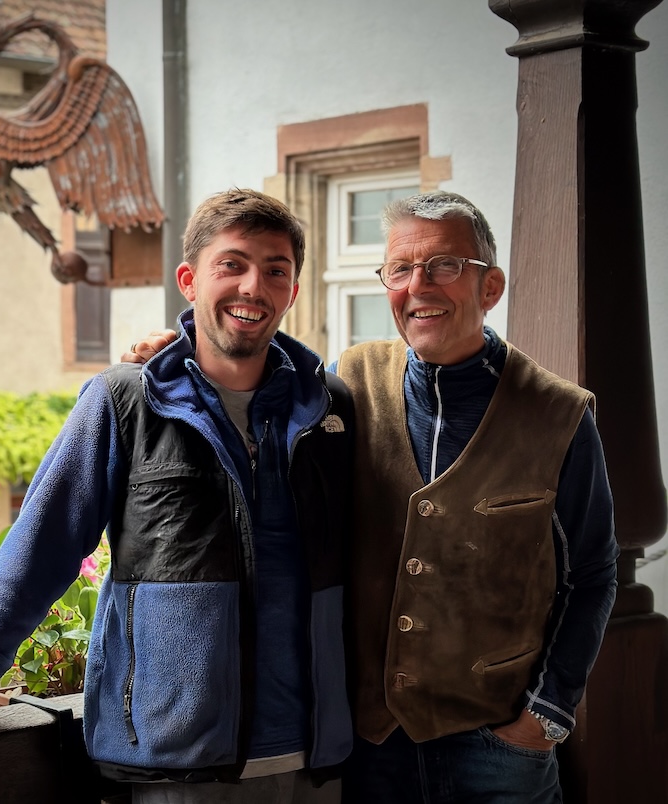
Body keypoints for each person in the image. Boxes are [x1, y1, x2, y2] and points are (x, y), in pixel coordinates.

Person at [0, 188, 355, 803]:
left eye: (275, 270)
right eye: (232, 264)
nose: (254, 286)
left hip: (318, 764)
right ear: (190, 281)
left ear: (294, 290)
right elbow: (36, 558)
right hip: (178, 769)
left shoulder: (330, 410)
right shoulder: (124, 402)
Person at [126, 190, 619, 804]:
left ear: (489, 287)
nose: (420, 286)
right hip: (366, 749)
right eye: (400, 270)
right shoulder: (348, 385)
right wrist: (179, 351)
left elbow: (592, 576)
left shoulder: (560, 415)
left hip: (499, 754)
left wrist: (542, 720)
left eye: (444, 266)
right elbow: (256, 379)